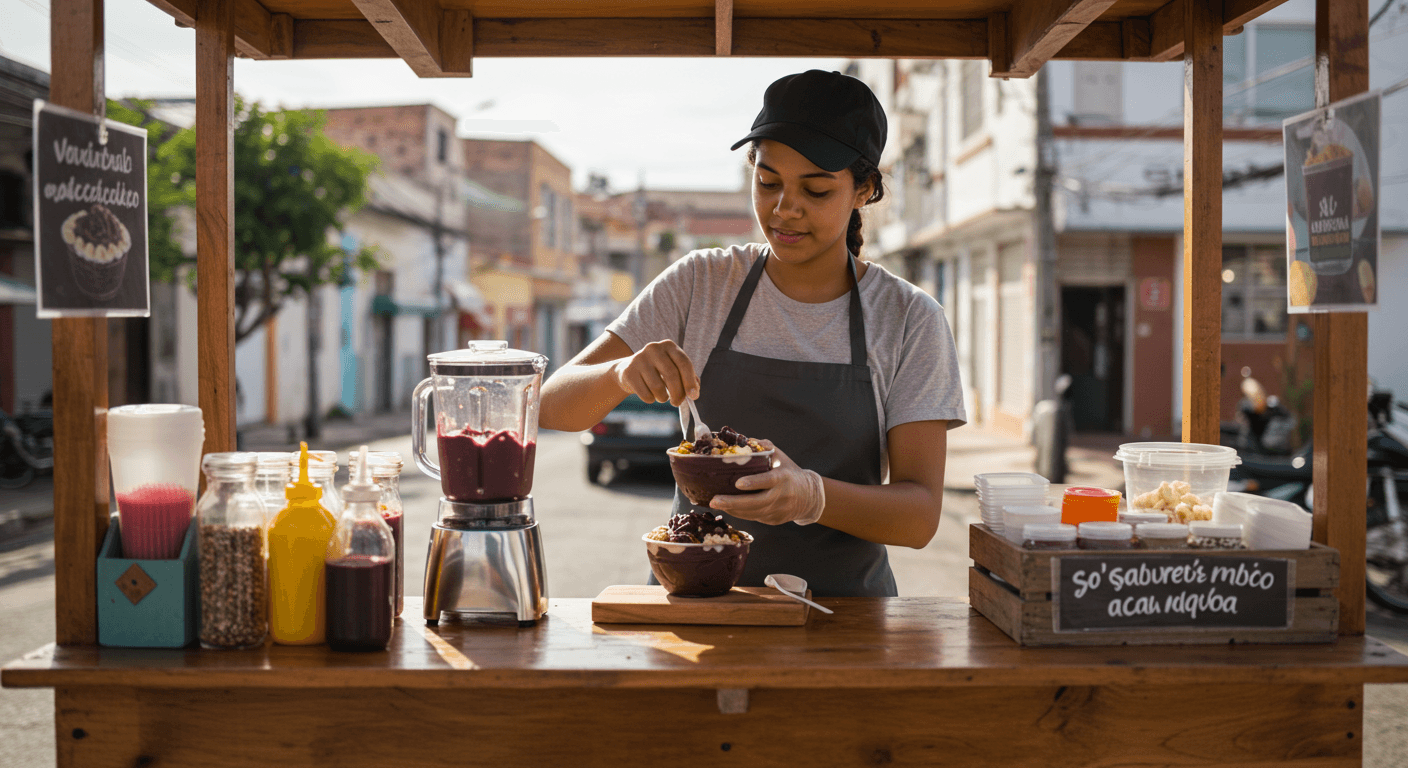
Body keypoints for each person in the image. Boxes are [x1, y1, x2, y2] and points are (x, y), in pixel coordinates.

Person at [540, 70, 966, 596]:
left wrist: (810, 496)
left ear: (864, 190)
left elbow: (920, 515)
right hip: (697, 613)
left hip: (846, 623)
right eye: (768, 183)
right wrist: (621, 372)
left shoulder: (907, 318)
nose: (785, 208)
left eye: (815, 189)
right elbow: (550, 406)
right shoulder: (701, 282)